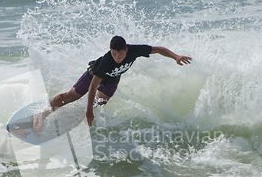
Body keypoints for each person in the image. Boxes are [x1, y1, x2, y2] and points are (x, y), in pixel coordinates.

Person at [33, 36, 191, 135]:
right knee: (69, 97)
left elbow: (158, 49)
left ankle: (80, 115)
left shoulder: (134, 50)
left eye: (120, 54)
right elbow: (93, 87)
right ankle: (41, 114)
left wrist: (175, 56)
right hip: (93, 76)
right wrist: (89, 111)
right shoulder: (106, 62)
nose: (117, 57)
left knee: (100, 103)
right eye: (114, 54)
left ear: (126, 50)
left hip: (113, 79)